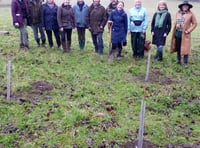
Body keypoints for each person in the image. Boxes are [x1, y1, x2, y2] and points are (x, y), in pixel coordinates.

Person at [170, 1, 197, 67]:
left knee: (185, 48)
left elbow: (195, 23)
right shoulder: (178, 13)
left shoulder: (191, 14)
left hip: (185, 34)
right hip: (177, 33)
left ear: (188, 7)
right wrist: (177, 25)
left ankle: (185, 62)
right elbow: (176, 21)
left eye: (186, 6)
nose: (185, 7)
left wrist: (188, 30)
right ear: (181, 6)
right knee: (178, 47)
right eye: (184, 6)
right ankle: (178, 60)